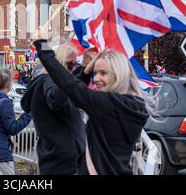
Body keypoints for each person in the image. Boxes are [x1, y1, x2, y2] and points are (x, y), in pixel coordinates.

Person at [33, 38, 149, 175]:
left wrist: (42, 44)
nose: (95, 78)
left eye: (103, 73)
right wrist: (84, 70)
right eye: (96, 73)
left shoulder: (106, 104)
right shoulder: (135, 105)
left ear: (119, 75)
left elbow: (69, 85)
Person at [20, 44, 91, 175]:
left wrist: (85, 71)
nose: (74, 70)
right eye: (70, 65)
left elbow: (75, 91)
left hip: (63, 160)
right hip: (62, 164)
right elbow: (56, 98)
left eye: (76, 65)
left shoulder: (53, 82)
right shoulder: (48, 81)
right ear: (58, 64)